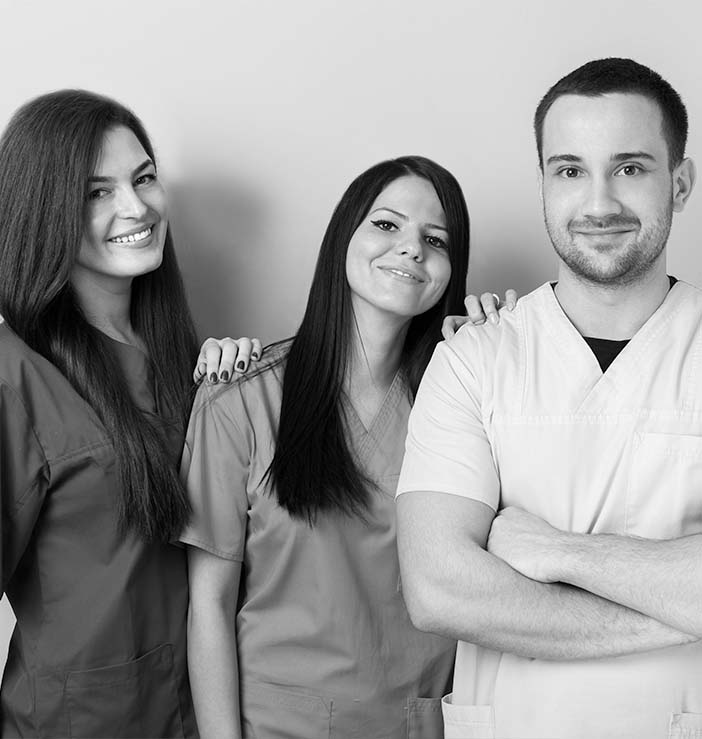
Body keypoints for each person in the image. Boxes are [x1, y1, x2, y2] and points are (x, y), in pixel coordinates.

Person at [396, 57, 702, 739]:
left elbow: (483, 585)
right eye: (570, 170)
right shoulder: (473, 359)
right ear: (543, 183)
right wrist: (679, 602)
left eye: (630, 167)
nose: (599, 203)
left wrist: (559, 552)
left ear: (679, 184)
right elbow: (438, 587)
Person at [180, 155, 471, 738]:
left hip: (423, 724)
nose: (412, 249)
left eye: (434, 239)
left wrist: (501, 354)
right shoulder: (240, 401)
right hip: (277, 726)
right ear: (343, 237)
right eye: (387, 225)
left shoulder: (463, 402)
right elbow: (207, 605)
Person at [0, 89, 256, 737]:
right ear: (42, 209)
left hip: (201, 714)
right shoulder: (14, 371)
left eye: (144, 178)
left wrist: (244, 385)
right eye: (97, 191)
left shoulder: (189, 364)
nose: (135, 206)